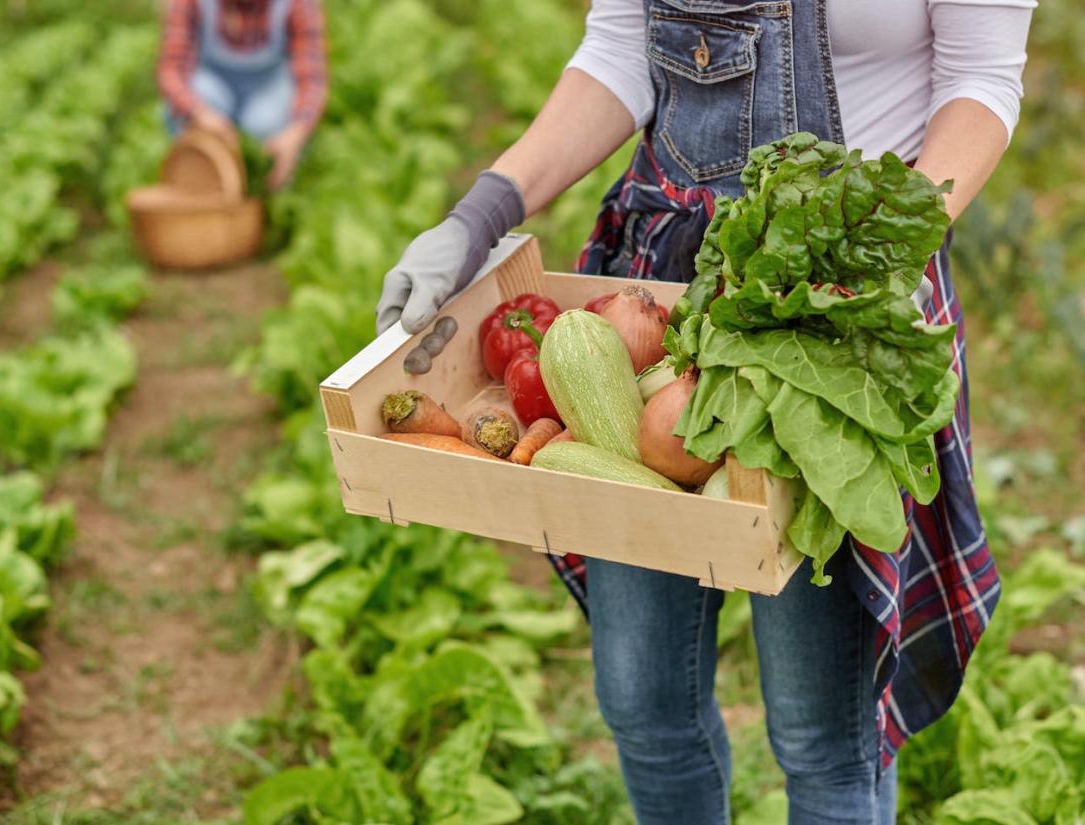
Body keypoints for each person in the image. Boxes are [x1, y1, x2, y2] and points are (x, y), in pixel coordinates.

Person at [375, 2, 1035, 823]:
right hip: (661, 284)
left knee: (820, 733)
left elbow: (978, 78)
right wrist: (481, 212)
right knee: (643, 699)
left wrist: (886, 251)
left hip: (841, 300)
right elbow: (621, 48)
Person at [158, 0, 327, 190]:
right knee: (195, 100)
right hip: (214, 88)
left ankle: (268, 191)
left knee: (267, 124)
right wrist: (199, 113)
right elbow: (171, 71)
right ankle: (200, 186)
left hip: (268, 89)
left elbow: (312, 79)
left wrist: (296, 134)